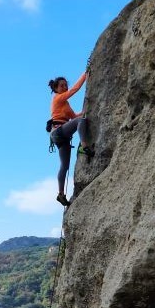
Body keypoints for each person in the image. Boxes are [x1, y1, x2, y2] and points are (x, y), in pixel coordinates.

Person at [48, 72, 94, 207]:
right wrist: (85, 74)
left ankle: (61, 194)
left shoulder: (65, 104)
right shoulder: (58, 98)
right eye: (62, 86)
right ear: (56, 89)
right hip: (58, 132)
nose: (65, 87)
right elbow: (75, 90)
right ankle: (84, 146)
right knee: (81, 120)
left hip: (61, 136)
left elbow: (74, 117)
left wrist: (85, 111)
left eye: (65, 85)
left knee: (64, 166)